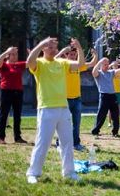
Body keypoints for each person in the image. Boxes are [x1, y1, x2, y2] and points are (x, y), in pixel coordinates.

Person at [26, 37, 84, 184]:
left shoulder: (62, 63)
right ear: (44, 49)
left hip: (63, 109)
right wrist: (40, 44)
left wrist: (79, 48)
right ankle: (33, 173)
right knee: (43, 143)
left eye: (54, 47)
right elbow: (29, 62)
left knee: (67, 143)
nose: (52, 49)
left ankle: (69, 173)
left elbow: (80, 64)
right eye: (49, 47)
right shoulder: (40, 63)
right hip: (46, 109)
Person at [55, 46, 97, 151]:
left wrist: (95, 55)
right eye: (70, 54)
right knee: (63, 123)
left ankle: (76, 144)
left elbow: (91, 63)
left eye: (74, 54)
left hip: (77, 99)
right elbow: (53, 61)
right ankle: (59, 143)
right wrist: (62, 51)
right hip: (65, 99)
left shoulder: (78, 66)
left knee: (76, 123)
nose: (72, 56)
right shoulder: (63, 65)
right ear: (66, 55)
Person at [0, 46, 27, 144]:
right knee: (3, 114)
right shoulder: (4, 65)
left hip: (18, 92)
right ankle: (1, 137)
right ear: (8, 56)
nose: (15, 56)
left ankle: (17, 137)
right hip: (6, 92)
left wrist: (31, 54)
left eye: (16, 54)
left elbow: (30, 64)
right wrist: (6, 51)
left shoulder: (19, 65)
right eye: (12, 54)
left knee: (17, 115)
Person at [91, 57, 120, 137]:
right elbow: (93, 72)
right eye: (105, 64)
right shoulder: (99, 73)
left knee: (116, 114)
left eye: (107, 64)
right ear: (101, 65)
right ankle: (95, 131)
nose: (107, 66)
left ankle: (115, 132)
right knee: (101, 114)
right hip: (104, 95)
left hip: (112, 95)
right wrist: (99, 62)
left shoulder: (111, 72)